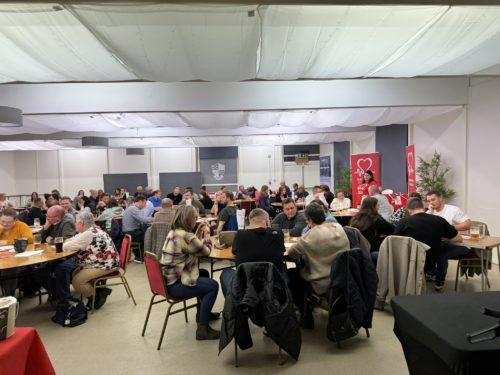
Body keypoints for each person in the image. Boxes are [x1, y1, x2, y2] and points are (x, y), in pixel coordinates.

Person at [160, 205, 220, 340]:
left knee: (203, 273)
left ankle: (202, 314)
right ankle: (203, 329)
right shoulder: (186, 236)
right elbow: (205, 251)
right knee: (212, 286)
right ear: (188, 219)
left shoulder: (175, 232)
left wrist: (198, 232)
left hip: (168, 279)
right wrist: (208, 234)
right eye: (195, 217)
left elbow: (192, 246)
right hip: (175, 285)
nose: (197, 219)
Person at [287, 202, 349, 328]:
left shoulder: (311, 235)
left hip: (323, 283)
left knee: (292, 277)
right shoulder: (339, 227)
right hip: (345, 278)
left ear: (309, 220)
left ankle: (307, 317)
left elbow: (292, 253)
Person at [395, 197, 464, 291]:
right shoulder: (439, 220)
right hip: (429, 261)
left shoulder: (403, 222)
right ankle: (438, 280)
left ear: (409, 210)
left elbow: (395, 241)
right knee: (443, 250)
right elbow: (457, 238)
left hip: (407, 260)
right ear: (424, 207)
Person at [220, 208, 285, 297]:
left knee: (226, 272)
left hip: (246, 286)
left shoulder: (240, 235)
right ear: (266, 221)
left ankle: (233, 304)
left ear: (250, 222)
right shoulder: (278, 233)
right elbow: (281, 250)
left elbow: (234, 252)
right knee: (284, 270)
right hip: (273, 284)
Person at [63, 211, 119, 309]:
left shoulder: (88, 234)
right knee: (75, 273)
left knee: (77, 281)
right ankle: (98, 291)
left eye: (76, 222)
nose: (75, 225)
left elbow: (66, 246)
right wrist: (70, 240)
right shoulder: (92, 229)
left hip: (106, 264)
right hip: (104, 261)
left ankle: (96, 297)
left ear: (82, 223)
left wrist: (67, 242)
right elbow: (74, 238)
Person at [349, 197, 395, 264]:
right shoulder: (376, 219)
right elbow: (393, 230)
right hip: (372, 251)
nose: (379, 207)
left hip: (357, 251)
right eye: (377, 205)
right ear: (373, 207)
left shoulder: (355, 218)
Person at [0, 209, 34, 296]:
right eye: (3, 221)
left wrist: (7, 242)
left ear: (15, 220)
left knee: (8, 270)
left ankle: (9, 298)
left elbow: (29, 239)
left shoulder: (21, 226)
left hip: (18, 259)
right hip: (2, 258)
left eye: (9, 222)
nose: (5, 224)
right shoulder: (1, 227)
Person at [122, 195, 154, 260]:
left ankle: (141, 256)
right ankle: (143, 256)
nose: (145, 206)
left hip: (130, 231)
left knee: (147, 231)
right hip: (131, 232)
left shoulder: (133, 208)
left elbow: (142, 219)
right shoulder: (133, 209)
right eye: (145, 203)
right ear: (140, 201)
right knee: (149, 235)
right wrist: (156, 218)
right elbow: (143, 219)